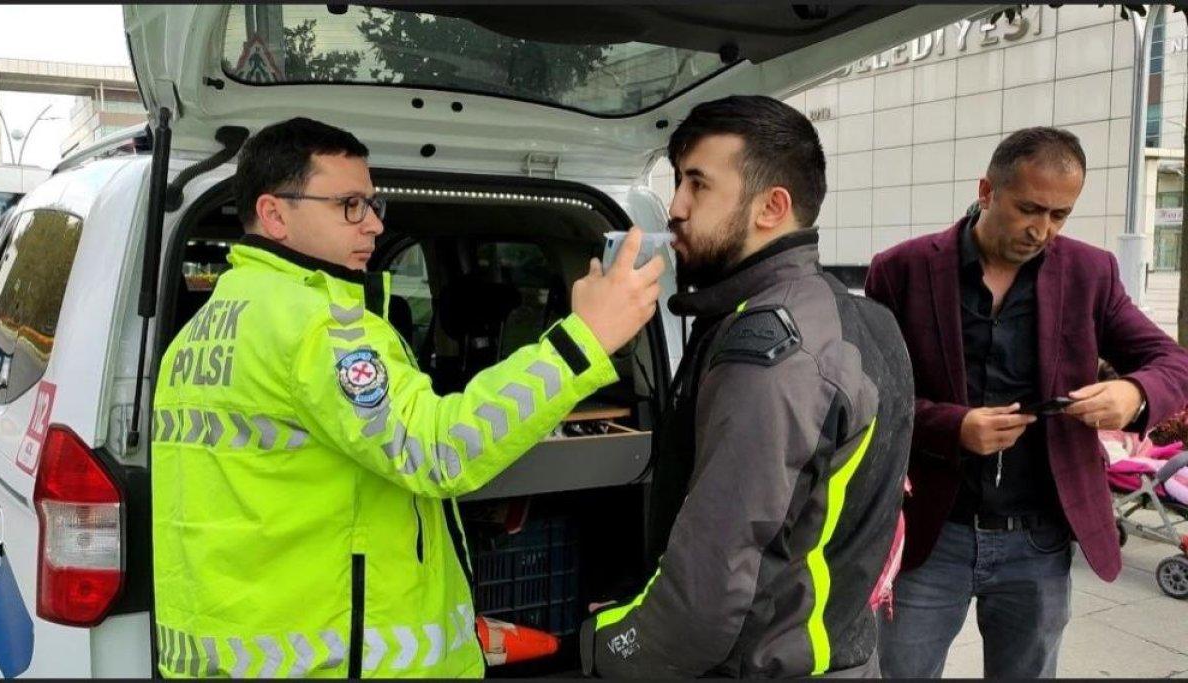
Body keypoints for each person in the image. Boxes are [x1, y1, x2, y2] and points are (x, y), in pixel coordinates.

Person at [151, 117, 665, 678]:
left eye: (372, 205)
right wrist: (583, 340)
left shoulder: (203, 331)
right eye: (349, 204)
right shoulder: (321, 327)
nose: (372, 223)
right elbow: (440, 449)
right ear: (274, 214)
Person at [578, 95, 914, 678]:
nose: (676, 207)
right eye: (678, 183)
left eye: (697, 185)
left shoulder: (768, 351)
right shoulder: (861, 319)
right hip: (835, 653)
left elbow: (706, 593)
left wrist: (602, 645)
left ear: (771, 207)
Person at [865, 126, 1188, 678]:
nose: (1042, 229)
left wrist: (1134, 393)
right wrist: (952, 426)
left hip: (1037, 540)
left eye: (1060, 215)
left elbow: (1172, 363)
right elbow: (869, 393)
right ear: (987, 191)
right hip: (930, 532)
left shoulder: (1090, 272)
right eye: (1029, 208)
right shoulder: (903, 268)